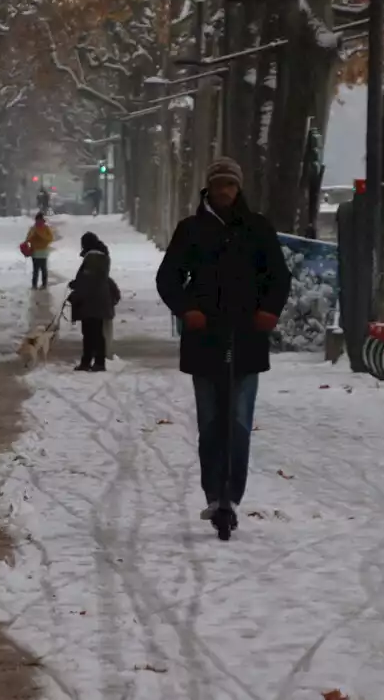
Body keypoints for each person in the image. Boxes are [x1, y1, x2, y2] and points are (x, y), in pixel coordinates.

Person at [156, 156, 291, 531]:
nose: (225, 192)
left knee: (239, 422)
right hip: (205, 340)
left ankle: (232, 495)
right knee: (211, 422)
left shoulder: (258, 228)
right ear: (209, 188)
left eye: (231, 185)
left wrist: (268, 311)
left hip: (246, 338)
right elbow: (168, 278)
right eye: (219, 185)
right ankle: (213, 494)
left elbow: (278, 277)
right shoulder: (191, 230)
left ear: (238, 188)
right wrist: (187, 311)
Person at [68, 231, 120, 371]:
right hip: (97, 300)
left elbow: (89, 281)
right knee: (94, 333)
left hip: (91, 301)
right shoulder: (101, 257)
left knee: (92, 333)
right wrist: (77, 284)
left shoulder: (93, 258)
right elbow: (95, 278)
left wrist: (77, 293)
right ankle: (93, 361)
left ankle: (95, 362)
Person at [24, 212, 54, 289]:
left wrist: (41, 236)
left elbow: (50, 238)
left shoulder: (46, 228)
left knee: (44, 269)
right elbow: (28, 239)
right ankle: (34, 285)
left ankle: (44, 284)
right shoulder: (33, 228)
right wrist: (33, 236)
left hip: (43, 252)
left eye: (40, 220)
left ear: (42, 220)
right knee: (36, 270)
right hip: (35, 252)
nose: (38, 222)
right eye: (37, 220)